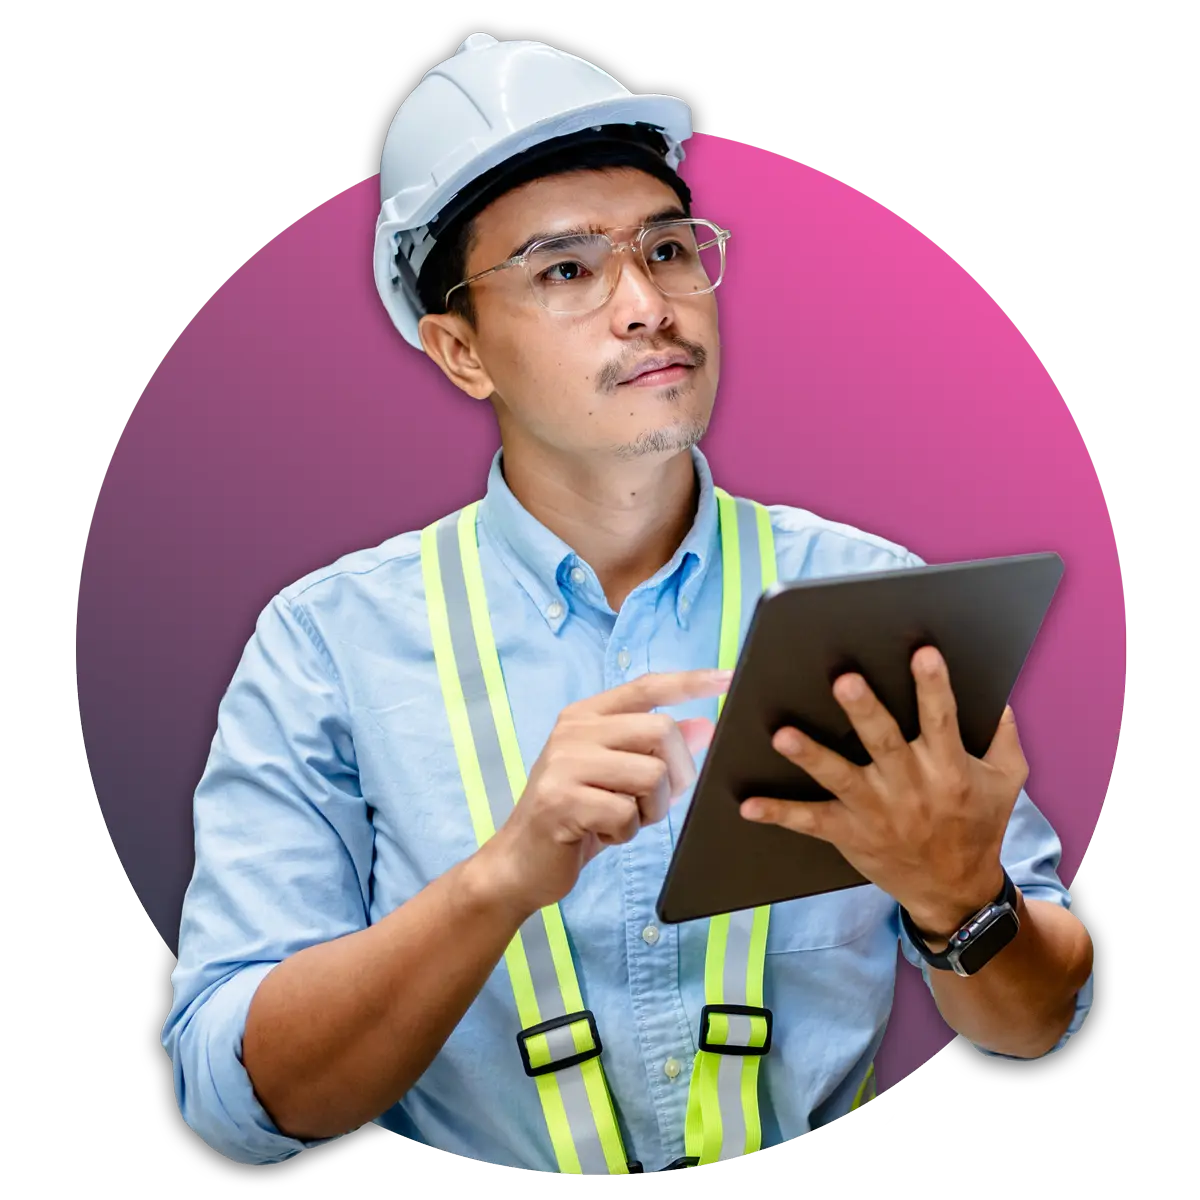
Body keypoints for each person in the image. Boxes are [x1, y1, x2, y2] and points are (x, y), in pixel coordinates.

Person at [161, 31, 1096, 1176]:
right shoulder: (326, 646)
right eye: (566, 270)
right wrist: (499, 882)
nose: (648, 304)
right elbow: (234, 1101)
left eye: (665, 247)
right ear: (461, 352)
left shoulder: (871, 600)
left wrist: (968, 906)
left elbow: (1040, 1022)